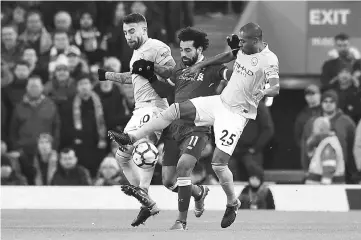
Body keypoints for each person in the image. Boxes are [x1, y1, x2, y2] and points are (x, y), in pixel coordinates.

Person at [110, 22, 280, 228]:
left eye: (244, 41)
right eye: (181, 49)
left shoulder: (269, 59)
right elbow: (227, 56)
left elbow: (275, 87)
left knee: (217, 164)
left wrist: (262, 92)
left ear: (256, 40)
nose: (240, 45)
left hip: (234, 115)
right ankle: (132, 137)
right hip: (212, 107)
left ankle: (228, 203)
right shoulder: (232, 53)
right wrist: (153, 72)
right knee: (173, 113)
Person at [111, 27, 231, 230]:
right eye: (182, 50)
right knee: (168, 181)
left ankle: (180, 221)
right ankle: (199, 193)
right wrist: (149, 77)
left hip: (197, 129)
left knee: (184, 167)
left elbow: (229, 75)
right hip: (173, 129)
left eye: (188, 50)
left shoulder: (212, 68)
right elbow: (169, 92)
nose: (183, 55)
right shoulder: (179, 71)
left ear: (200, 49)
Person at [97, 13, 176, 226]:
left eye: (131, 31)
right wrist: (106, 75)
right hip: (140, 109)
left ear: (144, 29)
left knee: (142, 146)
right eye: (124, 32)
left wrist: (152, 68)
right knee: (122, 157)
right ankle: (147, 202)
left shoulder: (158, 47)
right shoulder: (136, 53)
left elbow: (172, 72)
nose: (128, 36)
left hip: (156, 107)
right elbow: (131, 77)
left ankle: (143, 191)